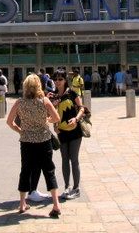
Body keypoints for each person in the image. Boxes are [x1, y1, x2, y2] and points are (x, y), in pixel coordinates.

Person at [6, 74, 62, 217]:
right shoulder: (44, 101)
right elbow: (57, 117)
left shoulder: (19, 102)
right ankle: (56, 204)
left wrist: (21, 131)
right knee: (49, 170)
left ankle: (22, 203)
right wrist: (46, 120)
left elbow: (9, 121)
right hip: (44, 140)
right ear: (39, 86)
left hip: (26, 142)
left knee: (25, 170)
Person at [52, 70, 86, 200]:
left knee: (74, 159)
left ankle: (76, 188)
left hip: (75, 131)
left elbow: (82, 108)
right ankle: (67, 186)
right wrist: (55, 126)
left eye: (60, 79)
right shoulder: (53, 96)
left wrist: (76, 119)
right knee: (64, 160)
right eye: (55, 79)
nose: (57, 82)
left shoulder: (72, 93)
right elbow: (51, 113)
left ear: (65, 80)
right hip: (61, 132)